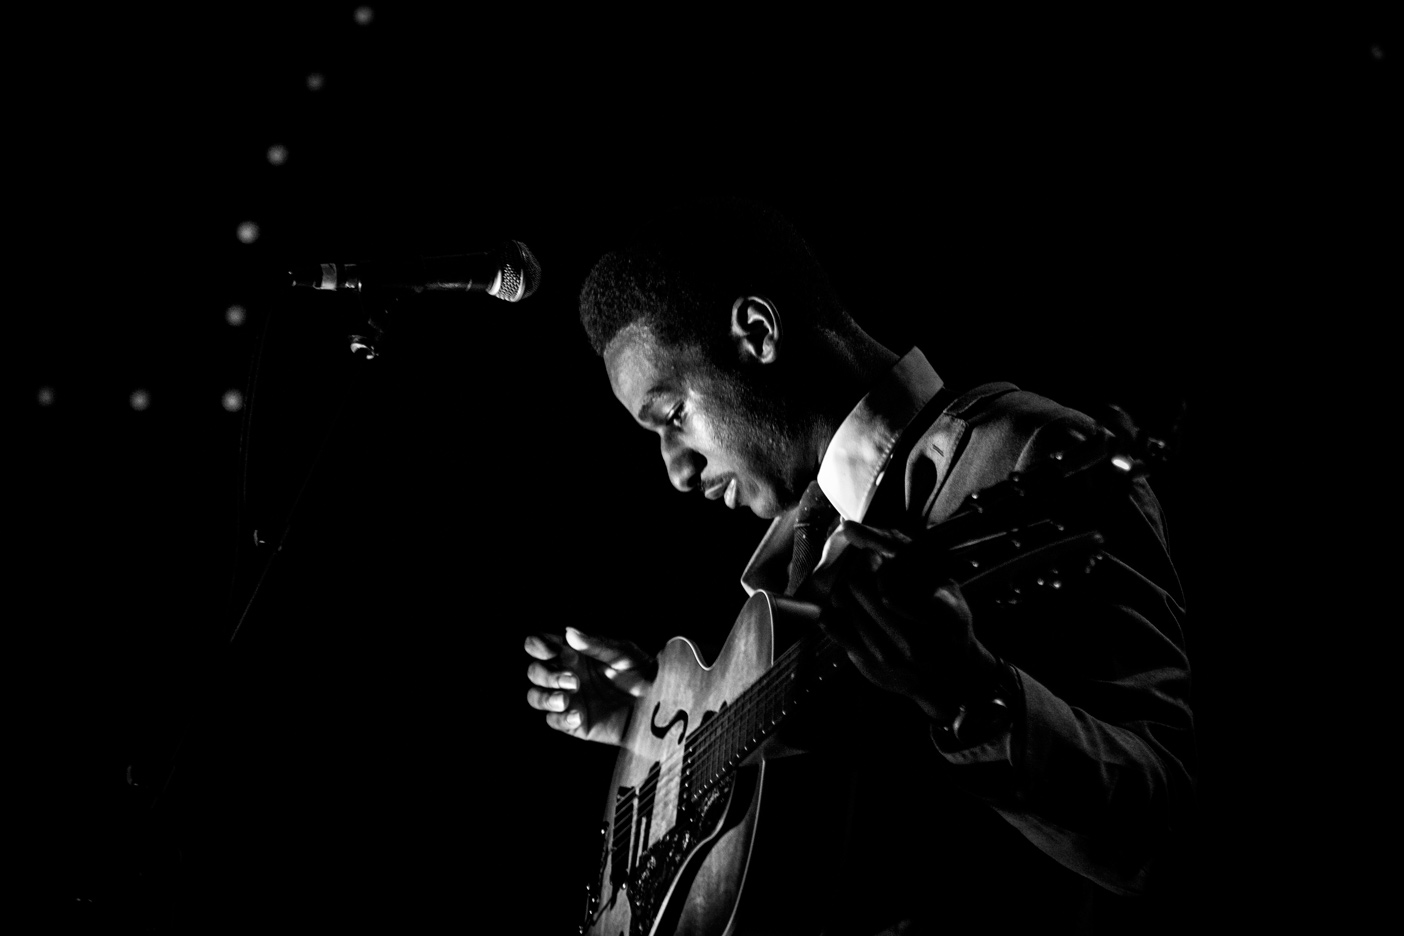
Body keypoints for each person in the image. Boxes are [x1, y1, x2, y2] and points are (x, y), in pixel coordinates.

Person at [524, 198, 1194, 935]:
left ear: (756, 332)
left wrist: (970, 693)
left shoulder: (1033, 454)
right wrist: (651, 729)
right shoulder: (801, 557)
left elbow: (1164, 829)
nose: (676, 472)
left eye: (673, 416)